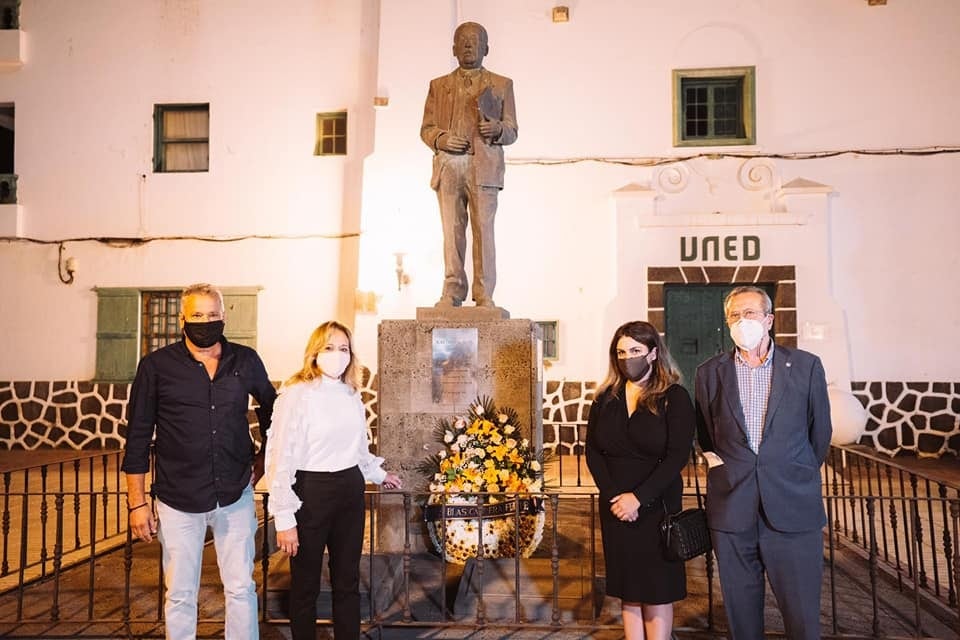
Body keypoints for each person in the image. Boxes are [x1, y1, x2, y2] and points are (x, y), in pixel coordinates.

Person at [122, 283, 277, 640]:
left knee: (241, 588)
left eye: (212, 315)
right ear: (182, 319)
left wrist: (264, 460)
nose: (205, 322)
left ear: (223, 317)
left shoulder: (245, 360)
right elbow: (138, 438)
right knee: (179, 594)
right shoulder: (156, 367)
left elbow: (274, 411)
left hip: (235, 495)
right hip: (178, 499)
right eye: (197, 315)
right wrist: (137, 503)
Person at [694, 286, 832, 640]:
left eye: (751, 313)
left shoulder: (805, 366)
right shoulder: (709, 373)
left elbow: (820, 434)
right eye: (735, 315)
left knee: (802, 618)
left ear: (770, 319)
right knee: (742, 621)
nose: (743, 321)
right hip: (733, 511)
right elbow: (708, 436)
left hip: (792, 508)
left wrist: (788, 470)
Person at [264, 320, 402, 640]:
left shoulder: (350, 394)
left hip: (348, 491)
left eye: (343, 348)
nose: (337, 355)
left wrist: (380, 475)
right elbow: (279, 455)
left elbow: (357, 449)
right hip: (311, 493)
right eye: (329, 347)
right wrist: (284, 517)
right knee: (306, 584)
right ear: (314, 353)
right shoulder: (296, 395)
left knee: (347, 581)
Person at [585, 321, 694, 640]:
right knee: (628, 587)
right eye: (621, 352)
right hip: (616, 506)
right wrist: (614, 496)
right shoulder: (605, 397)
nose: (627, 357)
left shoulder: (674, 397)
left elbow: (677, 456)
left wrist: (639, 498)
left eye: (635, 351)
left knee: (656, 588)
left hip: (656, 505)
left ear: (653, 354)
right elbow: (592, 451)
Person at [420, 21, 518, 309]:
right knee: (451, 231)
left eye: (474, 41)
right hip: (450, 166)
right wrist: (441, 139)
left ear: (486, 48)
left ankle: (484, 292)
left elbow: (512, 130)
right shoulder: (438, 86)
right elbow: (426, 128)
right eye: (462, 41)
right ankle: (452, 290)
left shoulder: (501, 85)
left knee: (483, 230)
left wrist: (497, 129)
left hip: (483, 167)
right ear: (453, 48)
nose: (468, 46)